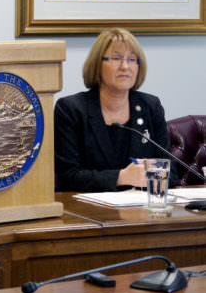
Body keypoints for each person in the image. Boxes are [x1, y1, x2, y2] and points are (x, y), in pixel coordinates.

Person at [55, 28, 178, 192]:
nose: (125, 66)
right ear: (97, 64)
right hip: (88, 211)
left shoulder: (150, 106)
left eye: (132, 59)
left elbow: (172, 173)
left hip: (140, 210)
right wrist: (121, 177)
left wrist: (149, 174)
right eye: (116, 58)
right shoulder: (71, 109)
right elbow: (68, 176)